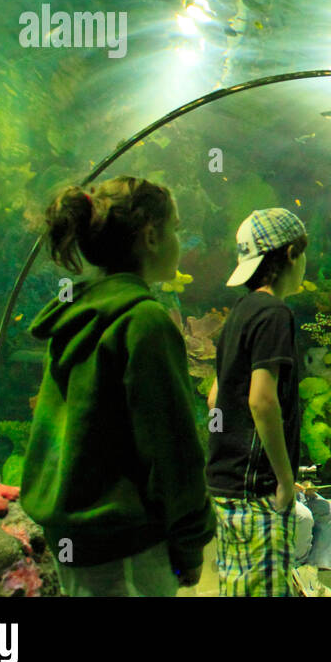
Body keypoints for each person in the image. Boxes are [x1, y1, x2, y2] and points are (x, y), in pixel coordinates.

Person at [21, 177, 214, 597]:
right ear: (150, 237)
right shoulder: (142, 320)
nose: (179, 241)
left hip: (76, 542)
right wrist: (190, 542)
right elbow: (170, 448)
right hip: (127, 546)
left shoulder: (74, 317)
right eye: (176, 228)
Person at [206, 208, 331, 597]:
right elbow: (262, 402)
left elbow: (216, 396)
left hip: (226, 482)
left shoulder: (239, 313)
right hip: (256, 487)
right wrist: (283, 478)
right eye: (304, 255)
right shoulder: (274, 313)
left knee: (237, 586)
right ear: (293, 253)